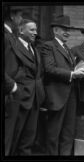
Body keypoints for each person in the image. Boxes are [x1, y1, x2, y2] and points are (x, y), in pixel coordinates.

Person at [40, 15, 84, 155]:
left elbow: (69, 70)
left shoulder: (67, 48)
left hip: (71, 96)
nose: (67, 32)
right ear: (55, 30)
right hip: (57, 97)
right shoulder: (48, 46)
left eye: (68, 29)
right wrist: (73, 74)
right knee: (53, 134)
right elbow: (49, 69)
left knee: (68, 133)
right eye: (63, 29)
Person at [6, 18, 45, 155]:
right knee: (13, 138)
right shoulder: (13, 45)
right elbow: (10, 72)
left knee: (28, 138)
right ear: (21, 30)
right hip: (19, 99)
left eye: (36, 29)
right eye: (32, 30)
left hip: (34, 99)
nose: (35, 33)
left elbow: (38, 73)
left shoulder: (34, 49)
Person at [4, 6, 23, 156]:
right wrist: (13, 86)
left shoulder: (11, 36)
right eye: (20, 16)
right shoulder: (5, 35)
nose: (21, 19)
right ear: (12, 15)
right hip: (8, 93)